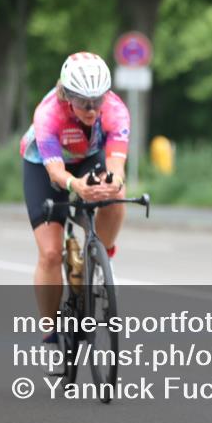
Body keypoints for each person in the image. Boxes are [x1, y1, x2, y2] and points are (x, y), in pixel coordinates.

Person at [19, 52, 130, 344]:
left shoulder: (116, 110)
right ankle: (50, 328)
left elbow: (117, 166)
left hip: (87, 158)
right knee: (51, 253)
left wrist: (113, 181)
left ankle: (103, 256)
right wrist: (75, 186)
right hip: (43, 167)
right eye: (84, 102)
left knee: (117, 192)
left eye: (98, 100)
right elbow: (55, 172)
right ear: (67, 95)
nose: (92, 110)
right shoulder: (48, 113)